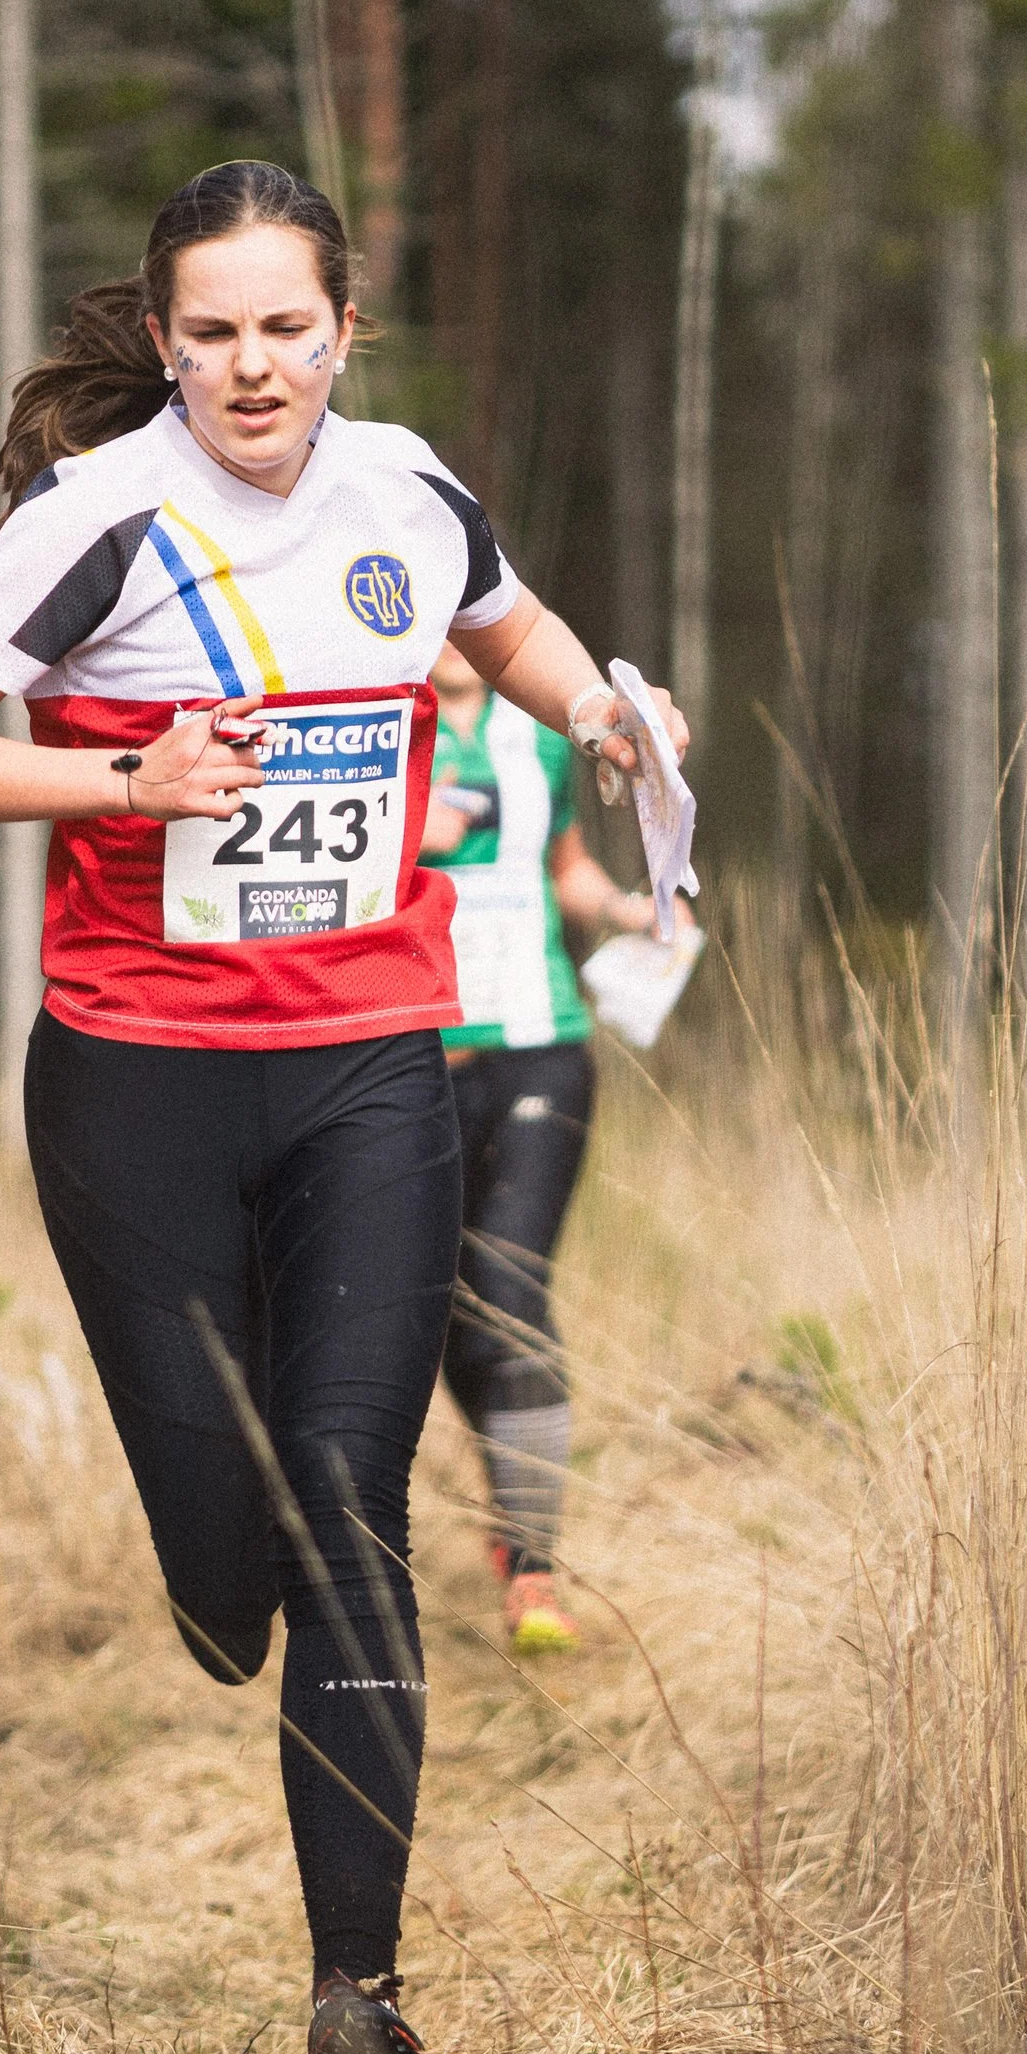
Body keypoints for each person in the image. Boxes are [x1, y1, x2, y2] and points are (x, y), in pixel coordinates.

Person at [0, 159, 686, 2054]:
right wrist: (120, 772)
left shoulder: (405, 486)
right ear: (161, 337)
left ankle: (354, 1989)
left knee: (346, 1494)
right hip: (134, 1077)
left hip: (368, 1069)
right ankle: (202, 1561)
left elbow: (514, 625)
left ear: (342, 326)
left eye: (286, 327)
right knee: (231, 1549)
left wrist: (594, 712)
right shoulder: (94, 518)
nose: (252, 366)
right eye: (212, 330)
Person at [421, 640, 660, 1656]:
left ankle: (534, 1568)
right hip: (415, 1056)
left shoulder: (535, 732)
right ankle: (505, 1490)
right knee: (441, 1306)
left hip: (541, 1045)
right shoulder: (378, 723)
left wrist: (625, 910)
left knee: (509, 1283)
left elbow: (561, 862)